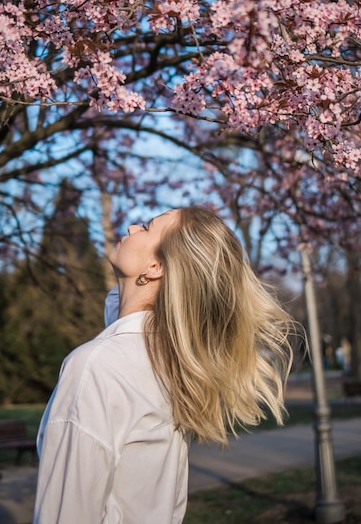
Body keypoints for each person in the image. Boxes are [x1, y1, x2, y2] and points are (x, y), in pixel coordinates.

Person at [33, 206, 294, 524]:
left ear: (155, 266)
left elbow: (66, 516)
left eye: (145, 227)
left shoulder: (98, 366)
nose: (130, 227)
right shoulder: (166, 364)